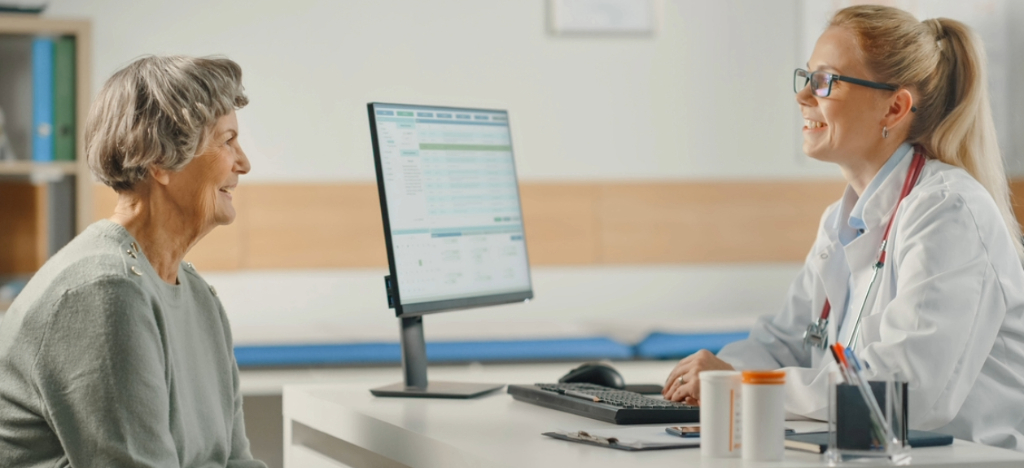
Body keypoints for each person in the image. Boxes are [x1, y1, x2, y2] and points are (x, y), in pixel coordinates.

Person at [662, 5, 1024, 450]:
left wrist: (741, 384)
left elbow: (906, 392)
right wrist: (711, 375)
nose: (803, 97)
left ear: (894, 107)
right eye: (807, 77)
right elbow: (786, 344)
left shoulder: (950, 213)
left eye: (826, 81)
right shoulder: (840, 222)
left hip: (971, 458)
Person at [0, 56, 266, 466]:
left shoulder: (197, 296)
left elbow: (235, 461)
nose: (243, 162)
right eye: (226, 140)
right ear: (159, 158)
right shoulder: (101, 291)